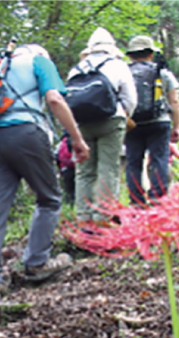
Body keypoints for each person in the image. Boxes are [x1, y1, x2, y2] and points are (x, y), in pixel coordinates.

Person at [0, 44, 89, 300]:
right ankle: (36, 263)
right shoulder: (39, 62)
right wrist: (76, 138)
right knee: (49, 198)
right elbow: (54, 98)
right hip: (26, 132)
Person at [67, 27, 136, 223]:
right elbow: (131, 98)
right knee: (108, 167)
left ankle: (83, 216)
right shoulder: (118, 65)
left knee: (84, 171)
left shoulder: (76, 69)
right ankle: (102, 215)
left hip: (81, 124)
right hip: (111, 121)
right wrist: (125, 114)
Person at [124, 35, 179, 204]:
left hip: (132, 124)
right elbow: (174, 102)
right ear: (150, 54)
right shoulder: (162, 73)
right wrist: (176, 126)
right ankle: (158, 199)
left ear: (131, 55)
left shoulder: (124, 72)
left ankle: (136, 201)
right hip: (159, 121)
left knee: (133, 162)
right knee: (159, 159)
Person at [56, 131, 76, 205]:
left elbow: (57, 157)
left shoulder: (62, 142)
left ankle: (69, 206)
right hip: (78, 169)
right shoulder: (79, 138)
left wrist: (61, 171)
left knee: (69, 191)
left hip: (66, 170)